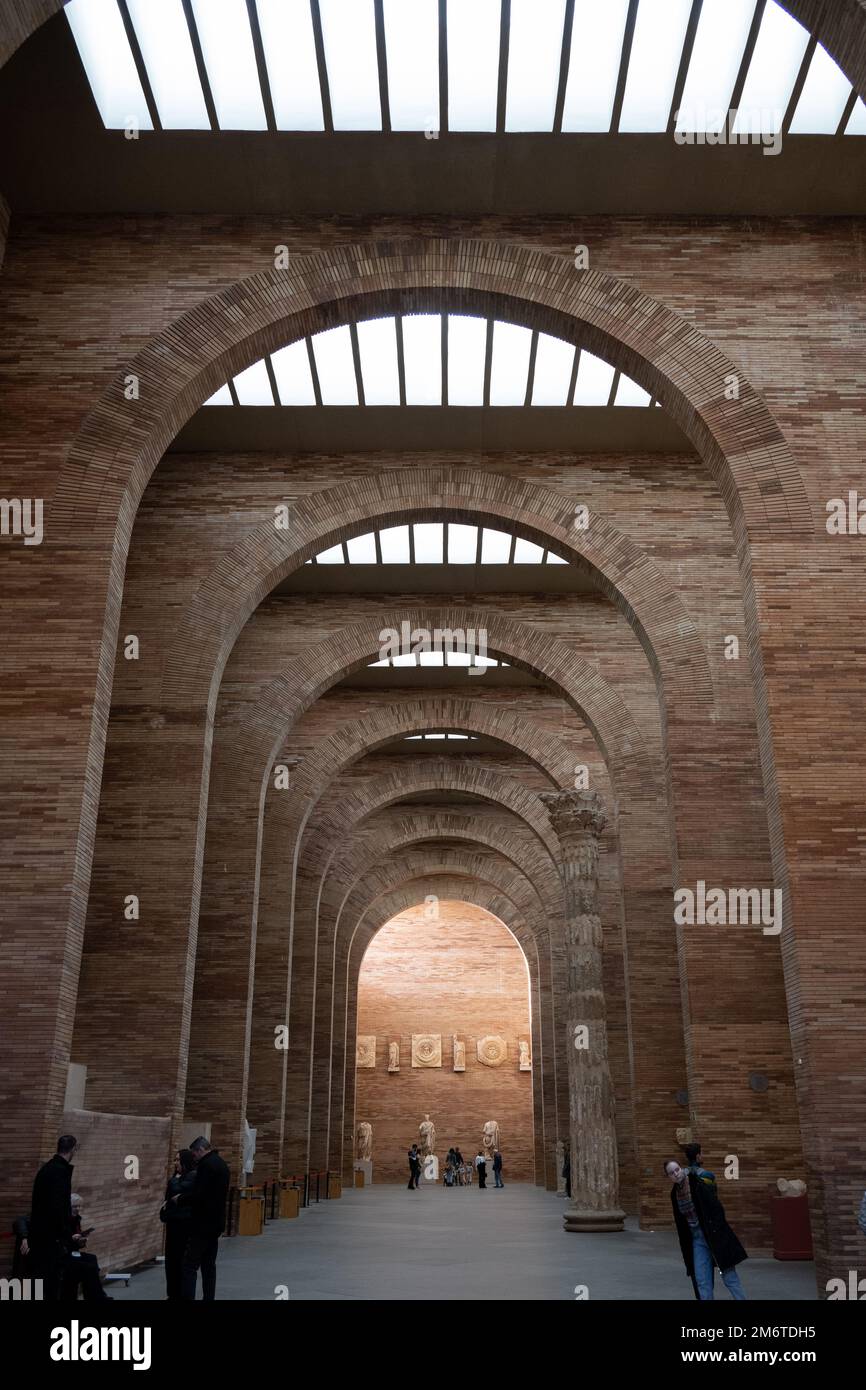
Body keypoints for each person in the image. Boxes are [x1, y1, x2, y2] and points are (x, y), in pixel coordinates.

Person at [665, 1157, 748, 1301]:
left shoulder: (696, 1184)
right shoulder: (674, 1194)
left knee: (729, 1277)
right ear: (669, 1177)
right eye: (671, 1173)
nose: (676, 1174)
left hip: (713, 1235)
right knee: (702, 1279)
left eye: (677, 1169)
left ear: (681, 1168)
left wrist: (717, 1231)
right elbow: (681, 1224)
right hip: (697, 1239)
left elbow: (716, 1208)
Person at [180, 1136, 230, 1301]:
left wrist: (180, 1199)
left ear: (200, 1150)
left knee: (190, 1265)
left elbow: (200, 1195)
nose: (194, 1159)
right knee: (209, 1265)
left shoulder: (206, 1166)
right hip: (215, 1223)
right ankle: (209, 1298)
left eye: (194, 1155)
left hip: (202, 1223)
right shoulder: (221, 1164)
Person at [29, 1134, 78, 1300]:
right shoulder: (59, 1172)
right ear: (73, 1150)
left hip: (41, 1234)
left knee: (42, 1279)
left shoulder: (47, 1169)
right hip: (50, 1237)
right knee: (49, 1281)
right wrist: (65, 1234)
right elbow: (57, 1207)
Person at [161, 1148, 196, 1301]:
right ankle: (173, 1292)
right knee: (171, 1261)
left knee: (180, 1260)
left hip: (183, 1225)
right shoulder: (178, 1177)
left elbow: (176, 1191)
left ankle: (181, 1294)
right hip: (173, 1223)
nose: (175, 1163)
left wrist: (174, 1181)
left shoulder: (192, 1177)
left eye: (177, 1160)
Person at [62, 1194, 111, 1301]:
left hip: (73, 1251)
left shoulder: (77, 1219)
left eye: (79, 1206)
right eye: (75, 1206)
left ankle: (97, 1294)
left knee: (92, 1258)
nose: (78, 1209)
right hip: (64, 1253)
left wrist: (81, 1241)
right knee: (90, 1268)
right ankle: (97, 1296)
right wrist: (71, 1238)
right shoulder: (63, 1220)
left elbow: (76, 1244)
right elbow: (61, 1239)